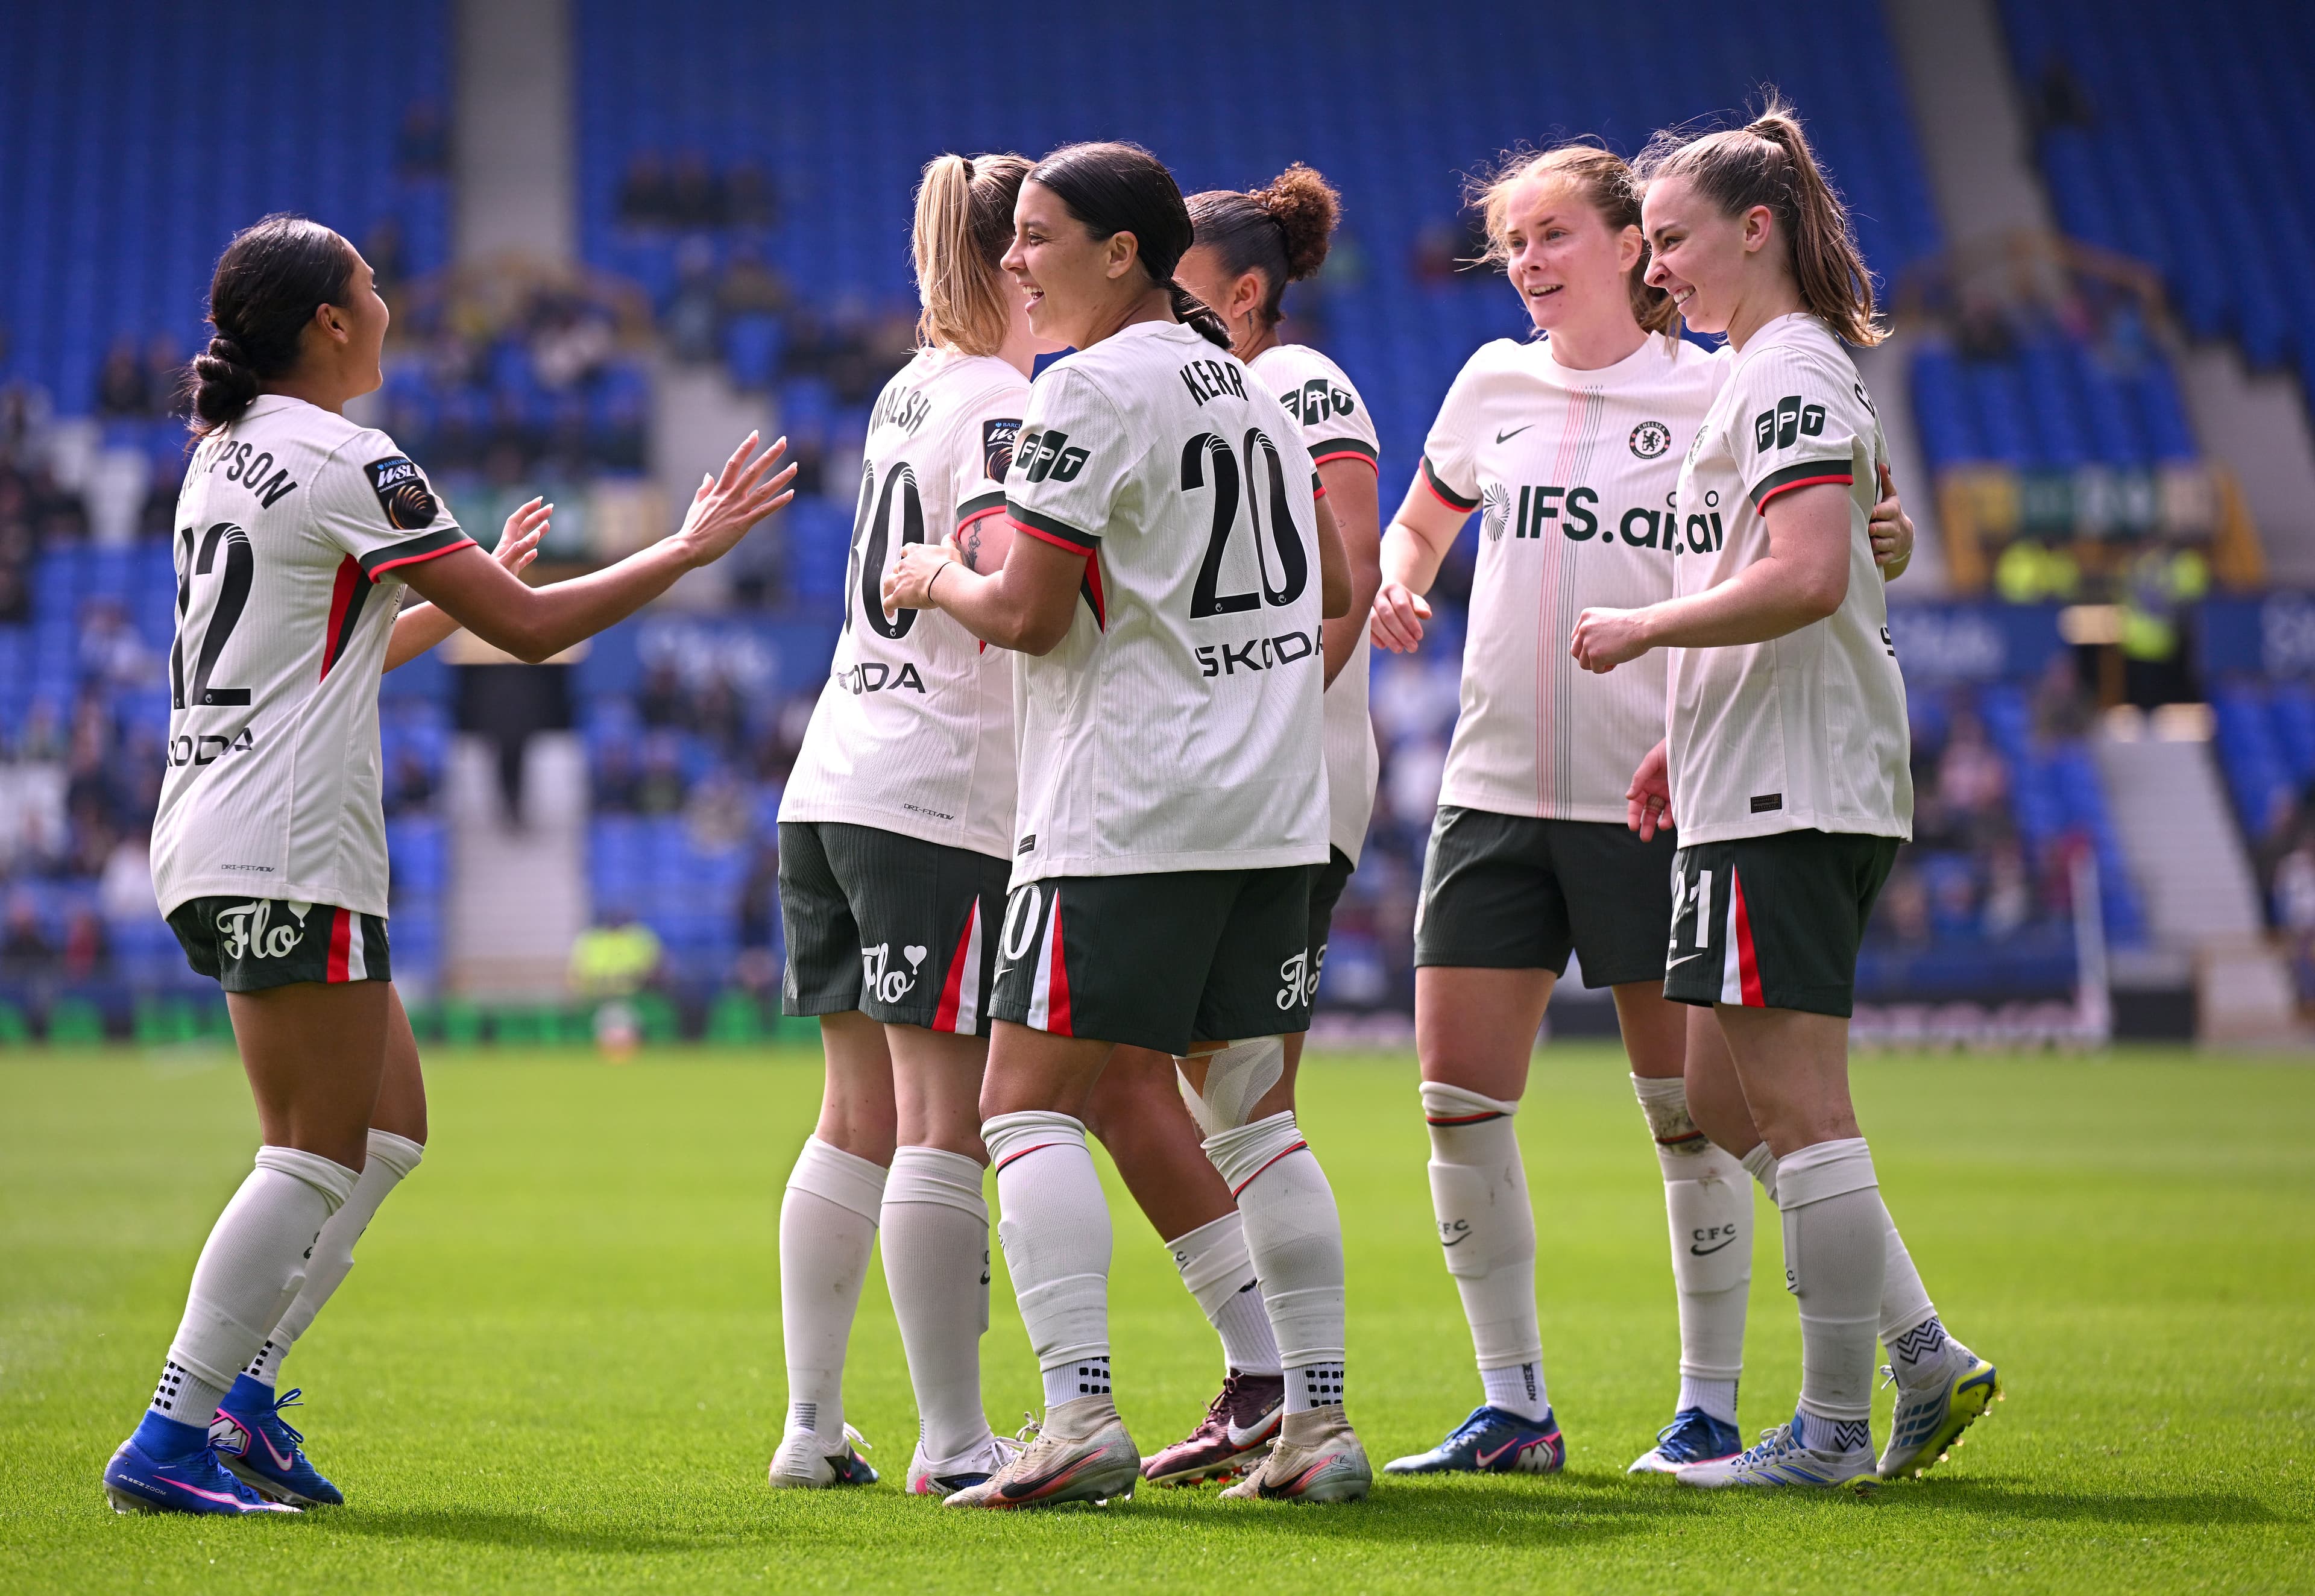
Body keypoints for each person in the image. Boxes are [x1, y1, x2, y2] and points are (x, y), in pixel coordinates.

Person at [105, 213, 793, 1518]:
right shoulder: (350, 456)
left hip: (219, 822)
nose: (387, 302)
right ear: (329, 323)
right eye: (370, 285)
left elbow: (328, 650)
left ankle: (242, 1399)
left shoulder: (223, 455)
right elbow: (526, 631)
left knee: (388, 1130)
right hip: (286, 842)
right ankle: (173, 1432)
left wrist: (433, 602)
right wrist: (685, 549)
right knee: (311, 1154)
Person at [1368, 142, 1922, 1479]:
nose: (1528, 263)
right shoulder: (1489, 384)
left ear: (1631, 248)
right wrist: (1401, 577)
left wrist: (1888, 538)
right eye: (1513, 244)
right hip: (1493, 788)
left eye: (1554, 235)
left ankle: (1708, 1406)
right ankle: (1514, 1406)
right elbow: (1419, 524)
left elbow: (1858, 525)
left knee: (1694, 1109)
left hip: (1656, 791)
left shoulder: (1727, 381)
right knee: (1453, 1102)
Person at [883, 141, 1361, 1508]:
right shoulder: (1258, 389)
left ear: (1121, 253)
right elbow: (1335, 578)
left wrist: (935, 574)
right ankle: (1318, 1426)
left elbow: (1028, 613)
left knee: (1022, 1103)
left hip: (1127, 806)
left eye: (1038, 237)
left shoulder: (1083, 389)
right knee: (1255, 1120)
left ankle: (1080, 1413)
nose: (1013, 260)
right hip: (1271, 809)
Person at [1572, 102, 2000, 1489]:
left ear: (1755, 230)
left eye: (1675, 240)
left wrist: (1647, 630)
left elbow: (1810, 574)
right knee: (1718, 1088)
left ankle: (1825, 1433)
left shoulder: (1790, 371)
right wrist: (1681, 734)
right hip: (1751, 770)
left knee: (1803, 1109)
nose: (1657, 269)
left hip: (1791, 783)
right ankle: (1921, 1351)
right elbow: (1834, 553)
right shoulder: (1770, 372)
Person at [1074, 163, 1385, 1489]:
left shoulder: (1292, 384)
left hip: (1261, 786)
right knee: (1210, 1101)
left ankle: (1286, 1392)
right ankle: (1287, 1398)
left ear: (1243, 293)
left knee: (1231, 1104)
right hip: (1256, 782)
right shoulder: (1216, 391)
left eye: (1184, 286)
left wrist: (1249, 719)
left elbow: (1343, 580)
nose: (1165, 305)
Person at [764, 152, 1056, 1497]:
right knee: (945, 1118)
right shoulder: (1002, 401)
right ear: (1013, 264)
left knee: (853, 1114)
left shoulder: (908, 386)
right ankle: (953, 1439)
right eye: (1038, 246)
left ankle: (812, 1424)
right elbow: (996, 569)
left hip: (832, 777)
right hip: (936, 793)